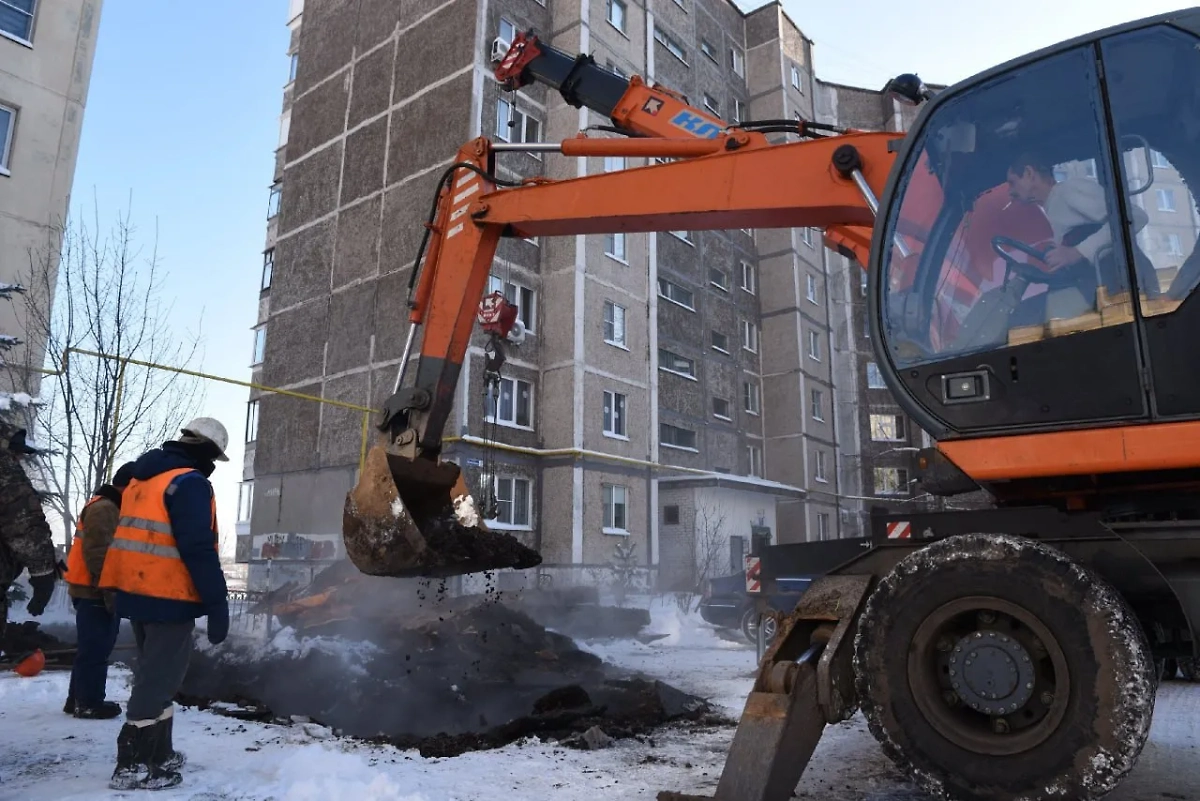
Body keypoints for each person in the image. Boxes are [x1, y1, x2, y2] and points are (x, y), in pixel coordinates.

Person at [99, 418, 231, 791]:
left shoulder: (145, 478)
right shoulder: (188, 483)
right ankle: (133, 766)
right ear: (206, 450)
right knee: (156, 680)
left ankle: (160, 753)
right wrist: (217, 600)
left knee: (160, 676)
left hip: (137, 592)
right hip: (167, 596)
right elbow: (197, 547)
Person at [1005, 151, 1150, 321]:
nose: (1010, 192)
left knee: (1023, 315)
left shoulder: (1068, 191)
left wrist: (1077, 252)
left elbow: (1134, 216)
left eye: (1012, 183)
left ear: (1029, 173)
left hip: (1126, 288)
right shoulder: (1053, 208)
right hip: (1101, 291)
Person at [62, 461, 136, 719]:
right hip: (94, 591)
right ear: (127, 485)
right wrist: (110, 592)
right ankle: (89, 702)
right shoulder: (105, 509)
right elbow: (99, 555)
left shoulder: (105, 505)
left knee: (91, 649)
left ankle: (79, 699)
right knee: (96, 649)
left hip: (89, 588)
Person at [0, 420, 57, 654]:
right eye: (17, 454)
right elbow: (24, 523)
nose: (19, 460)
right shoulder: (3, 467)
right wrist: (43, 574)